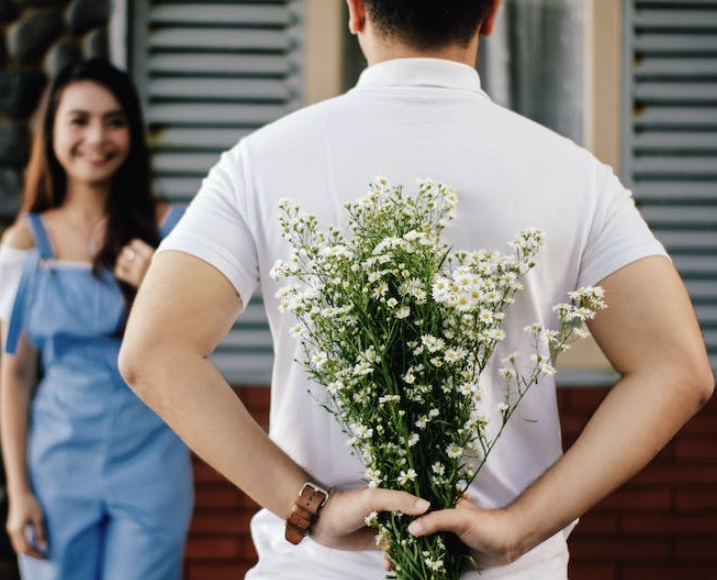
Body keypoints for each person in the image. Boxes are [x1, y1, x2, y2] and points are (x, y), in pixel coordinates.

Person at [117, 1, 714, 578]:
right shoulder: (577, 175)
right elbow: (679, 369)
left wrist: (310, 509)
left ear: (356, 10)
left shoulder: (261, 162)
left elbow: (154, 352)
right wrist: (518, 528)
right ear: (490, 14)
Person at [0, 58, 192, 580]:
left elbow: (197, 353)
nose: (97, 137)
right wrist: (18, 491)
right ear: (52, 129)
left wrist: (156, 291)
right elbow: (14, 371)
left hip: (152, 462)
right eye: (79, 120)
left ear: (133, 133)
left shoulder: (172, 231)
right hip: (57, 466)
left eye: (115, 121)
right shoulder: (25, 244)